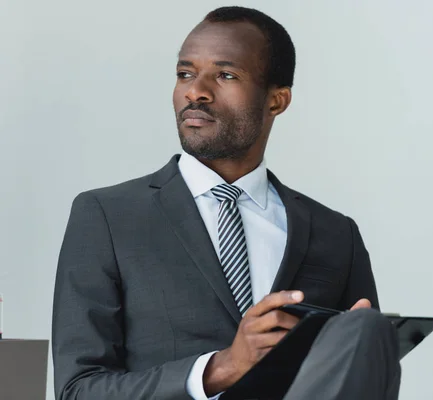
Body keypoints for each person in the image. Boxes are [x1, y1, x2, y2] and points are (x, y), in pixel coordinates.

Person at [52, 6, 401, 400]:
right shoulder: (108, 217)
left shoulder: (337, 235)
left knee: (370, 332)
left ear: (277, 101)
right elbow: (77, 391)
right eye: (185, 73)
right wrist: (221, 368)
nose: (195, 91)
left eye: (225, 75)